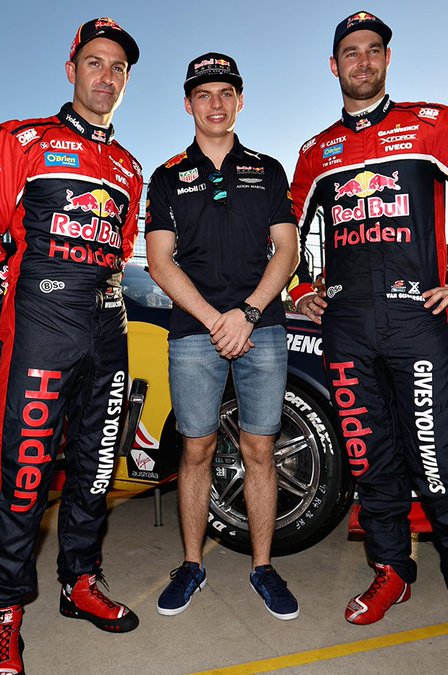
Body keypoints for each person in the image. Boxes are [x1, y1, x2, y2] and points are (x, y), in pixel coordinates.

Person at [289, 10, 448, 657]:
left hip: (418, 326)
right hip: (347, 332)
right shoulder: (316, 151)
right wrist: (300, 288)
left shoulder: (429, 124)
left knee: (444, 469)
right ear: (334, 66)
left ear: (387, 59)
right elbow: (281, 228)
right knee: (371, 466)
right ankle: (391, 572)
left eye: (372, 50)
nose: (361, 61)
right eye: (349, 52)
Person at [0, 17, 143, 675]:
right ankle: (3, 615)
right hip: (43, 323)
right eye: (96, 63)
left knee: (94, 469)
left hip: (109, 327)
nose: (107, 76)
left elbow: (121, 248)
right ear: (72, 69)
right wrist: (13, 283)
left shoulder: (128, 166)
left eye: (119, 68)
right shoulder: (23, 139)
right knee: (25, 473)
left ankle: (79, 580)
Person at [145, 52, 301, 621]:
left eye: (226, 93)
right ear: (188, 104)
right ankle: (192, 565)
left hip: (262, 328)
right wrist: (218, 320)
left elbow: (287, 249)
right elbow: (159, 263)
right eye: (203, 94)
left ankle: (263, 568)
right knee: (197, 448)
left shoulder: (268, 168)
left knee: (260, 449)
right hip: (194, 332)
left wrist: (249, 313)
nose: (215, 103)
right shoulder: (165, 176)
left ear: (240, 102)